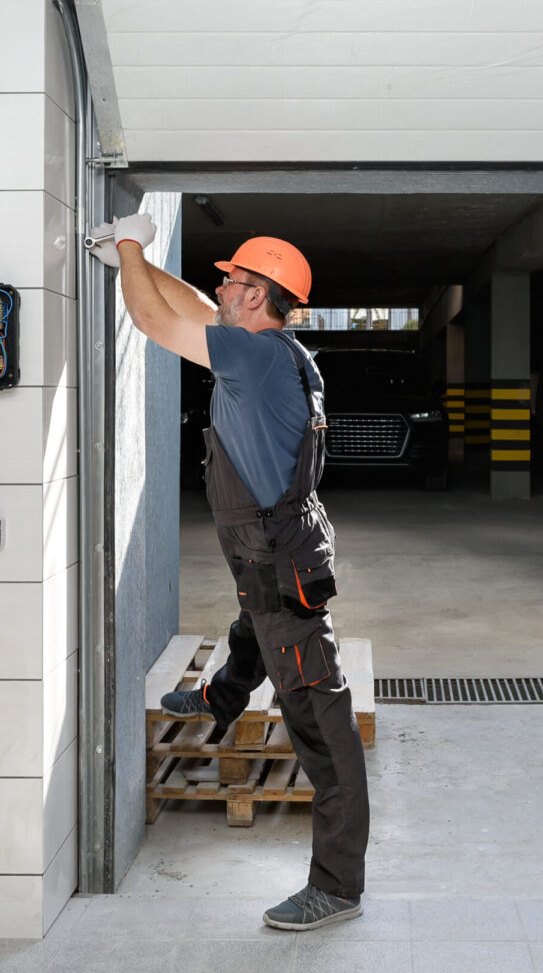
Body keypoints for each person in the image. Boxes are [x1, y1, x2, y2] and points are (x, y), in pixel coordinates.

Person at [88, 214, 370, 932]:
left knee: (321, 726)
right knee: (255, 626)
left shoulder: (255, 360)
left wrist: (129, 251)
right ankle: (222, 698)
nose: (219, 287)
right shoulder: (270, 349)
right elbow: (188, 305)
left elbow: (154, 320)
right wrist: (134, 258)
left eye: (231, 281)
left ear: (256, 296)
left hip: (280, 559)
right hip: (275, 549)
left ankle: (336, 887)